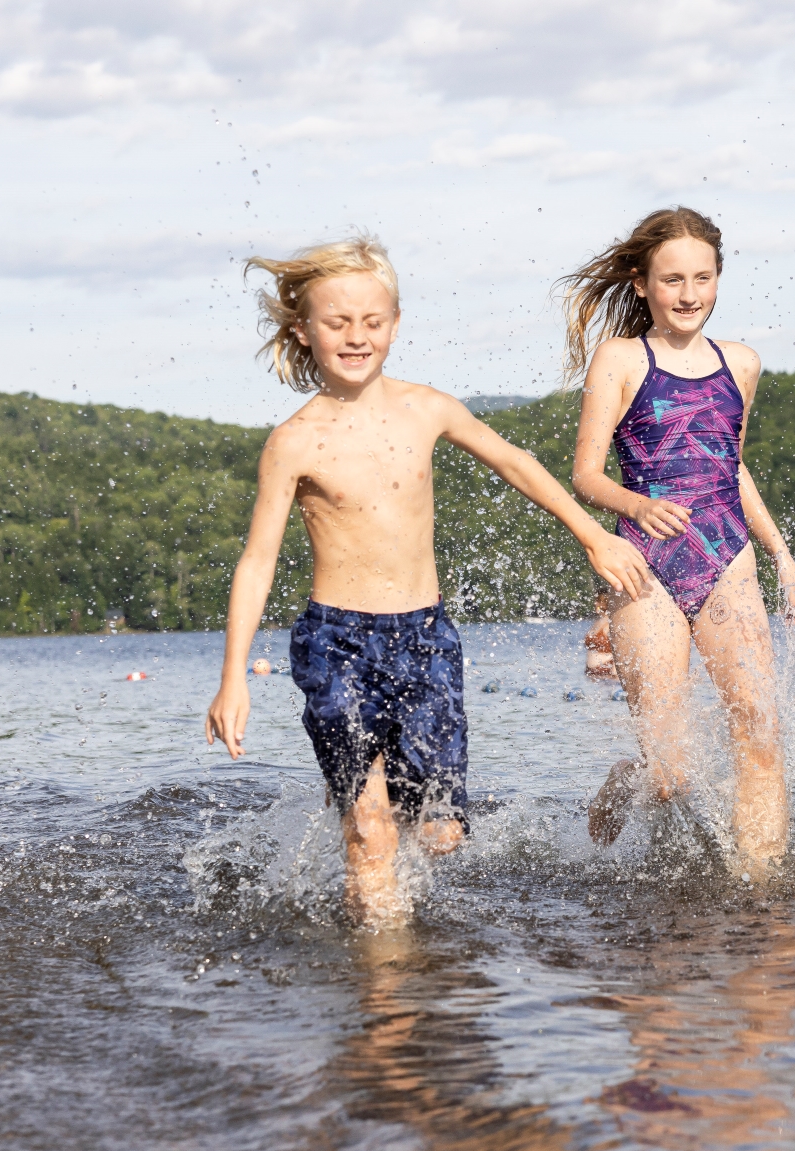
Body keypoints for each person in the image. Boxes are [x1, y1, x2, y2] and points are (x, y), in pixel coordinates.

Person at [205, 235, 651, 927]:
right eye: (337, 323)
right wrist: (234, 673)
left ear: (395, 323)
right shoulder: (295, 441)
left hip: (426, 640)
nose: (356, 337)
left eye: (371, 322)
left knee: (441, 834)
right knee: (372, 833)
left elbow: (517, 462)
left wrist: (593, 533)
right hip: (336, 644)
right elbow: (258, 560)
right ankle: (386, 988)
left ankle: (405, 924)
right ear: (303, 329)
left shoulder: (427, 408)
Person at [562, 207, 795, 876]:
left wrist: (782, 552)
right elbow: (585, 473)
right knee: (670, 775)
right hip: (646, 569)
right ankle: (629, 776)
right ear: (642, 284)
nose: (689, 293)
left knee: (760, 732)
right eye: (672, 279)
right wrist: (640, 504)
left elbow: (732, 464)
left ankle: (760, 893)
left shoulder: (742, 363)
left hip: (728, 556)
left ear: (719, 277)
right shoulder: (621, 359)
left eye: (703, 277)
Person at [584, 583, 618, 679]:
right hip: (593, 673)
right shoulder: (598, 622)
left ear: (607, 602)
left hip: (607, 673)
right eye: (596, 600)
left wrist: (615, 674)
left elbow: (618, 651)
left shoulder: (611, 623)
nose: (595, 603)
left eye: (599, 601)